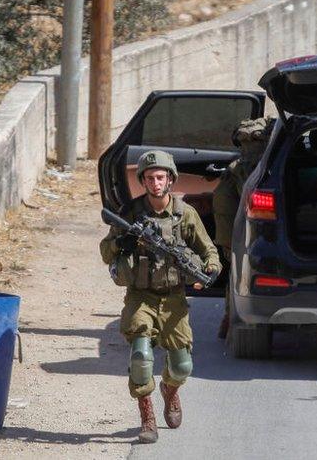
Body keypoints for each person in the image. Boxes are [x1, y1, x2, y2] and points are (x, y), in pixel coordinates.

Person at [99, 150, 221, 444]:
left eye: (160, 177)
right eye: (150, 178)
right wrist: (122, 240)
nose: (155, 182)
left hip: (174, 298)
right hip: (140, 296)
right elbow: (105, 253)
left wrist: (212, 269)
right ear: (143, 181)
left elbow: (209, 250)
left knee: (182, 367)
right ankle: (147, 417)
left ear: (170, 179)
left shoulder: (184, 214)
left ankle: (170, 390)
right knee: (141, 355)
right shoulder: (130, 213)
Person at [211, 117, 275, 339]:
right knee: (240, 275)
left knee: (237, 273)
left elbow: (222, 202)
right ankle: (232, 320)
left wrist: (227, 241)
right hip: (249, 234)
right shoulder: (261, 171)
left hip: (235, 234)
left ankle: (230, 319)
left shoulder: (236, 170)